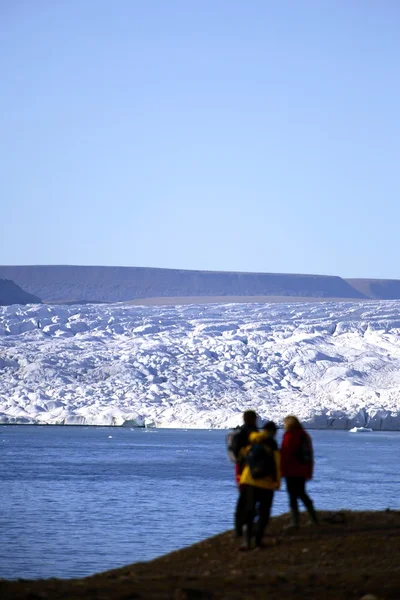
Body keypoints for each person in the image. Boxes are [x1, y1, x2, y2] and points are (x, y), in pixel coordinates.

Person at [239, 421, 280, 550]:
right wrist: (277, 482)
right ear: (273, 431)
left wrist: (241, 478)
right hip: (266, 484)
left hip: (248, 480)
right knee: (263, 512)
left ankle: (246, 542)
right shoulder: (272, 444)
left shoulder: (252, 440)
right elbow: (277, 464)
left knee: (249, 510)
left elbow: (242, 458)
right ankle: (258, 542)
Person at [280, 415, 318, 529]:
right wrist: (309, 471)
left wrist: (281, 470)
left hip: (291, 470)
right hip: (302, 470)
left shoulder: (290, 436)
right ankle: (313, 517)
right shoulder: (304, 435)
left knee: (293, 495)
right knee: (301, 493)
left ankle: (295, 521)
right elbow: (310, 455)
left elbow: (285, 454)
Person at [231, 410, 258, 538]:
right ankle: (247, 528)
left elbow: (235, 453)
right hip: (253, 470)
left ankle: (239, 528)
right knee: (251, 500)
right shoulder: (254, 434)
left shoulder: (239, 434)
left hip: (240, 469)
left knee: (243, 499)